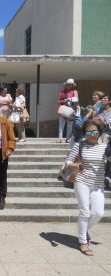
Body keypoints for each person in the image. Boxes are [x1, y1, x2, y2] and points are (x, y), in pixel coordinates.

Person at [66, 119, 108, 256]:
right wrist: (76, 166)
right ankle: (83, 242)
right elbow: (68, 162)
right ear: (85, 133)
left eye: (95, 131)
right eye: (89, 132)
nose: (92, 134)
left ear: (99, 132)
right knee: (84, 212)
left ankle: (83, 231)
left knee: (98, 213)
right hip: (81, 181)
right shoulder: (80, 145)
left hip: (98, 184)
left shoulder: (105, 147)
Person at [57, 78, 78, 143]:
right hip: (63, 109)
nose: (68, 86)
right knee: (61, 125)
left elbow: (76, 100)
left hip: (71, 109)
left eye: (70, 84)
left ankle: (68, 138)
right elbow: (58, 101)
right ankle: (60, 138)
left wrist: (69, 99)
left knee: (70, 126)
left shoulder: (74, 92)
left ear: (72, 85)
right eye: (67, 84)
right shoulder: (62, 92)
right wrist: (62, 101)